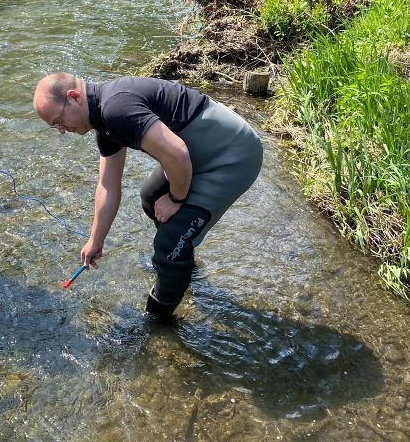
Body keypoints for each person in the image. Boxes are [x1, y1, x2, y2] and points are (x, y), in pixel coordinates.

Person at [33, 73, 263, 321]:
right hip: (202, 153)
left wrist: (176, 199)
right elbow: (108, 186)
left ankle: (158, 320)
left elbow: (177, 154)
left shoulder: (115, 108)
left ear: (74, 97)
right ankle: (179, 261)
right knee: (152, 198)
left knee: (169, 242)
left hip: (233, 157)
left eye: (59, 121)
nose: (63, 130)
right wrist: (95, 240)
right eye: (55, 127)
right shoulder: (104, 119)